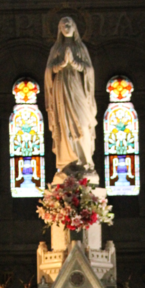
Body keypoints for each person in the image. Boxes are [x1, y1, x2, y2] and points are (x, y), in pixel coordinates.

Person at [44, 16, 97, 176]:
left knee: (83, 121)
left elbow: (89, 70)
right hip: (61, 88)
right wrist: (60, 64)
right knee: (64, 124)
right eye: (63, 25)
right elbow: (48, 71)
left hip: (76, 87)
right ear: (59, 29)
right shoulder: (56, 49)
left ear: (74, 27)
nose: (66, 27)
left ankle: (85, 161)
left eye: (69, 24)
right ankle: (68, 162)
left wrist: (74, 63)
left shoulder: (80, 48)